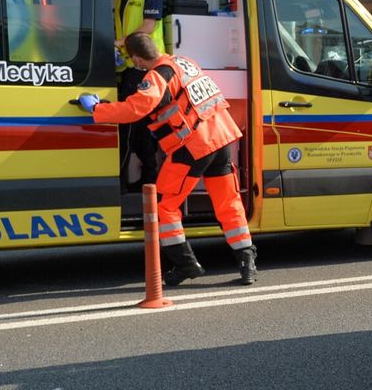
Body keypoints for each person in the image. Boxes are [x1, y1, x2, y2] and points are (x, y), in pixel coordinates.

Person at [78, 33, 258, 287]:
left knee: (164, 205)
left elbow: (135, 109)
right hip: (222, 138)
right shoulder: (184, 62)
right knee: (228, 202)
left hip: (194, 146)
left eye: (133, 60)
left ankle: (186, 264)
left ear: (138, 59)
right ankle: (247, 263)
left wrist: (98, 109)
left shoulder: (155, 77)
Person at [110, 0, 165, 185]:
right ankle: (147, 177)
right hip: (131, 66)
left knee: (128, 128)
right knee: (139, 128)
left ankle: (123, 182)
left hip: (148, 67)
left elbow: (148, 27)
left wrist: (119, 42)